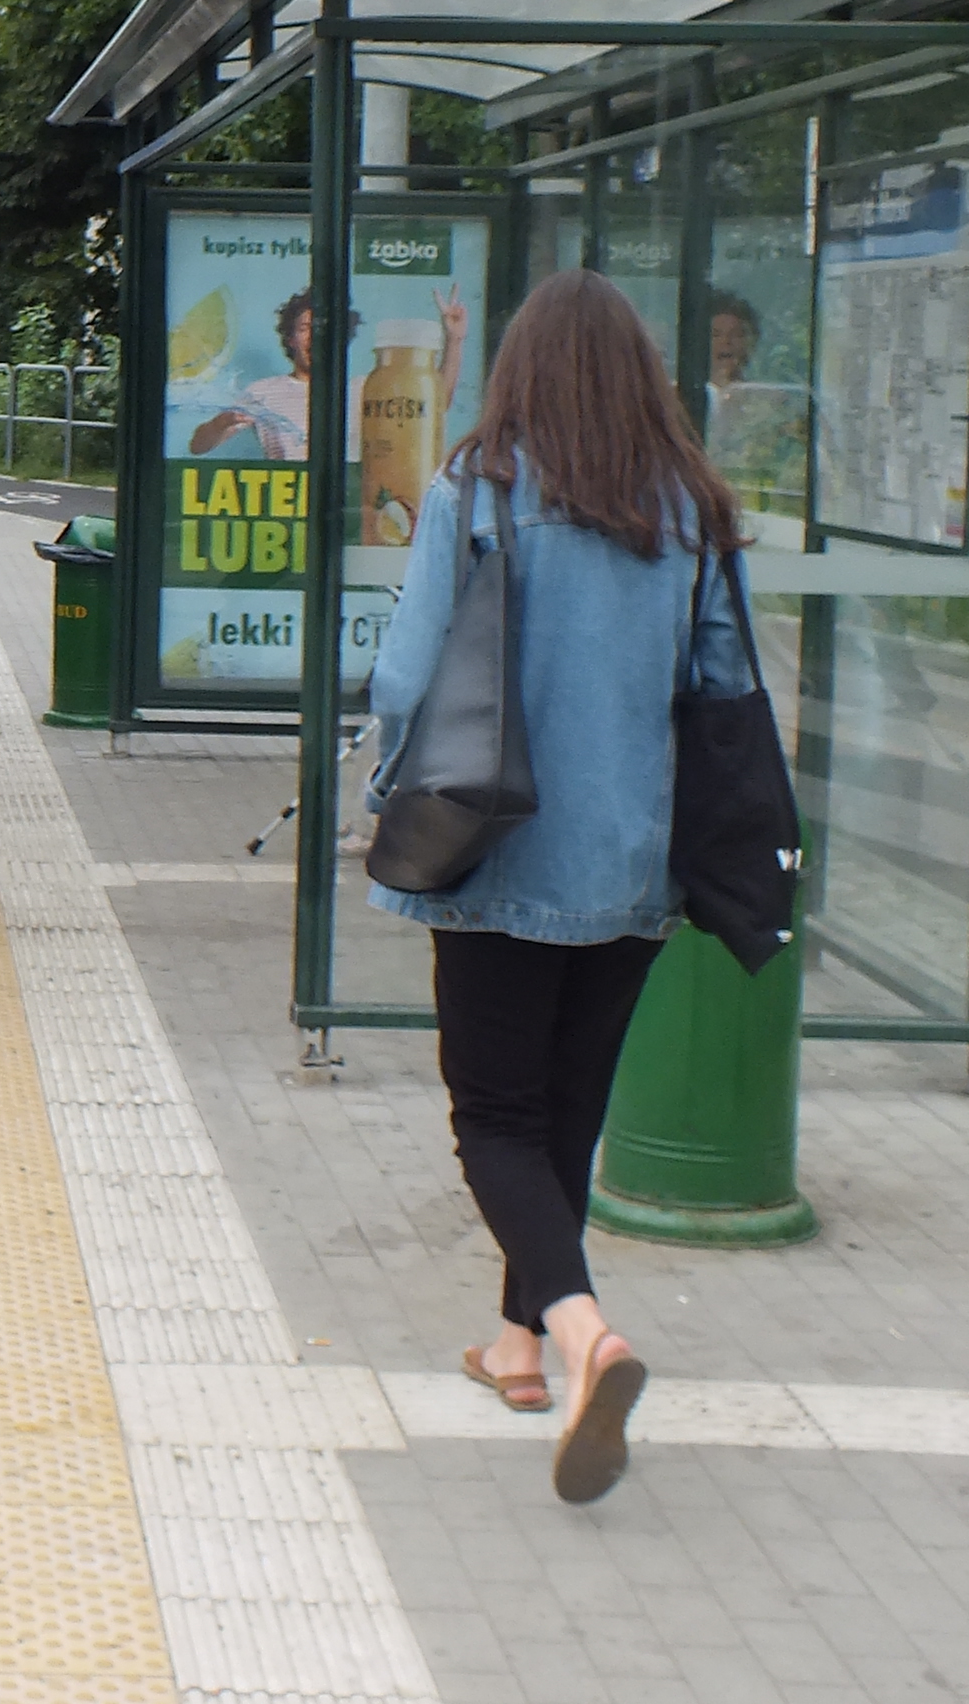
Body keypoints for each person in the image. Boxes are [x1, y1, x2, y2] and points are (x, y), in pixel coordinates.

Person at [364, 268, 752, 1506]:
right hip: (632, 863)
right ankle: (517, 1347)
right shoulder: (690, 509)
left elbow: (407, 677)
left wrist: (387, 791)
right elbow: (728, 680)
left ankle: (584, 1334)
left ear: (522, 370)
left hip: (496, 853)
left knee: (493, 1115)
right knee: (565, 1115)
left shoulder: (476, 492)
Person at [192, 284, 467, 459]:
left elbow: (435, 403)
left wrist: (453, 340)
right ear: (290, 339)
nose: (315, 338)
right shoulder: (263, 393)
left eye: (324, 330)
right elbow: (199, 446)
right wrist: (219, 424)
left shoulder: (366, 388)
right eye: (304, 329)